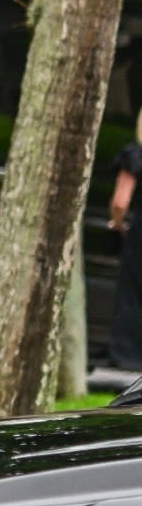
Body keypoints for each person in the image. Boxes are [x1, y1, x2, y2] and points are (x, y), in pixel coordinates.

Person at [107, 136, 142, 370]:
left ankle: (128, 354)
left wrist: (118, 223)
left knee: (132, 291)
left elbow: (121, 202)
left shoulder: (135, 156)